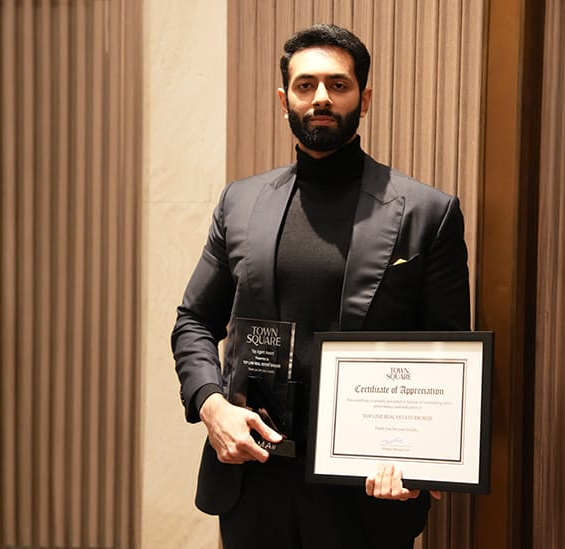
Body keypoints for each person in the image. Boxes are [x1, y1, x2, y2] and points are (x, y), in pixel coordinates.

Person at [171, 24, 470, 549]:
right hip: (254, 479)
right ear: (284, 100)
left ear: (364, 99)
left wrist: (421, 455)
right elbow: (194, 320)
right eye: (306, 85)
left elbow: (447, 351)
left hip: (368, 491)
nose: (321, 98)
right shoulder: (239, 203)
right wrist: (211, 404)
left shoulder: (427, 213)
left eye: (338, 84)